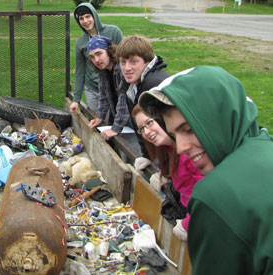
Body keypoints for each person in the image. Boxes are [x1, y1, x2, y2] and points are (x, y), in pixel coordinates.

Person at [138, 65, 273, 274]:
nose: (181, 147)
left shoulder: (214, 195)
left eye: (189, 129)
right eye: (175, 135)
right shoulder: (265, 145)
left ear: (219, 115)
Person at [132, 104, 203, 241]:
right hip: (186, 209)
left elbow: (209, 194)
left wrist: (189, 223)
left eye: (149, 123)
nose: (146, 132)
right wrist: (167, 177)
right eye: (142, 129)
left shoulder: (189, 152)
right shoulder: (168, 148)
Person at [116, 35, 170, 169]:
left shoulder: (153, 86)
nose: (127, 68)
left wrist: (166, 170)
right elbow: (139, 125)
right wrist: (146, 155)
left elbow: (168, 131)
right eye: (123, 62)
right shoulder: (131, 84)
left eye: (133, 61)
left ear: (147, 62)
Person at [70, 3, 123, 114]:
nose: (85, 21)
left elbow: (123, 59)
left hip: (113, 85)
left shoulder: (113, 32)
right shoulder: (80, 42)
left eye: (88, 16)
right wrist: (76, 99)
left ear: (94, 16)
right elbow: (80, 71)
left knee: (115, 116)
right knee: (97, 120)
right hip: (92, 88)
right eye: (81, 18)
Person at [86, 36, 130, 141]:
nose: (96, 60)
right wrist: (100, 117)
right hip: (119, 117)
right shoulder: (103, 70)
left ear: (109, 51)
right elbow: (104, 96)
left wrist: (116, 128)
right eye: (92, 57)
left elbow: (124, 100)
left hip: (133, 120)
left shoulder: (121, 69)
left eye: (99, 53)